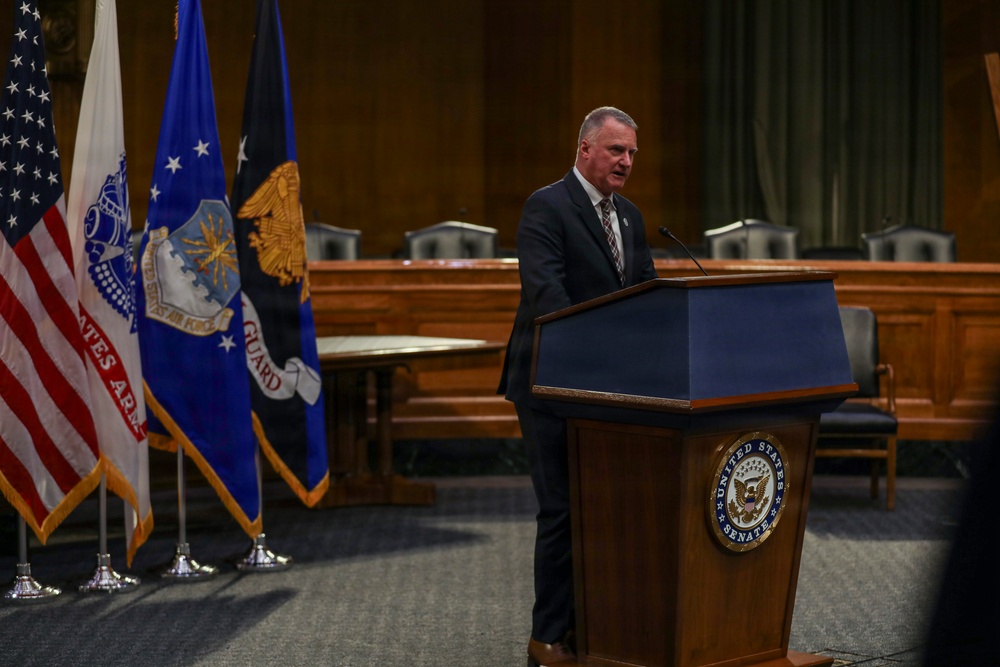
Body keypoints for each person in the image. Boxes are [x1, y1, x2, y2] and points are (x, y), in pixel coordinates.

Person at [497, 106, 658, 666]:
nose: (626, 161)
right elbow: (550, 299)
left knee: (610, 511)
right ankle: (547, 636)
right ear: (585, 148)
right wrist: (612, 352)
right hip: (551, 385)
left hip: (612, 391)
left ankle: (597, 628)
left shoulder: (632, 217)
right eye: (617, 150)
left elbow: (647, 293)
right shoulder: (547, 206)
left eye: (632, 153)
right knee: (563, 511)